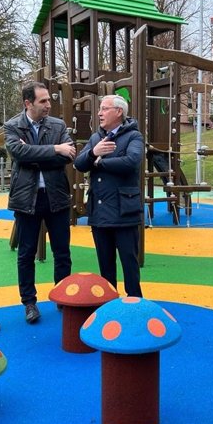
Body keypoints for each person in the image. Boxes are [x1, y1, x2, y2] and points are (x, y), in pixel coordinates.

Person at [4, 81, 76, 324]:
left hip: (55, 196)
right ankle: (29, 302)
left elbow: (70, 155)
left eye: (49, 100)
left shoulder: (58, 125)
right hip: (27, 198)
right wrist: (55, 149)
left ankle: (63, 296)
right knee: (26, 253)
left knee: (62, 251)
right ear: (28, 103)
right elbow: (19, 154)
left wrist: (34, 153)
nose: (48, 105)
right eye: (43, 101)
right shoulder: (13, 126)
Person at [74, 94, 144, 297]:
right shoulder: (96, 137)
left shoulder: (133, 136)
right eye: (100, 109)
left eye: (104, 108)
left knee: (129, 265)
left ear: (119, 112)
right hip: (100, 213)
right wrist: (92, 153)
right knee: (105, 267)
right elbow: (79, 163)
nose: (99, 113)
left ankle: (135, 304)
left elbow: (132, 161)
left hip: (124, 212)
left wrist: (99, 162)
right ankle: (109, 304)